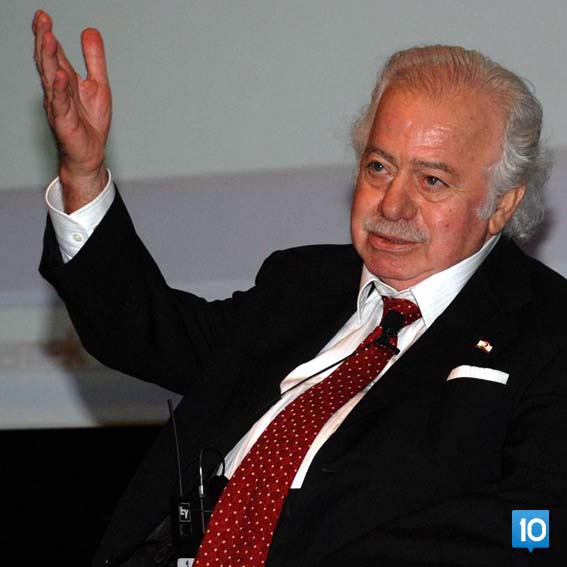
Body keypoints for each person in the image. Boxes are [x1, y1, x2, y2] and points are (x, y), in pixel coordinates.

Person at [32, 9, 567, 567]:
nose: (392, 205)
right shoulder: (302, 285)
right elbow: (139, 330)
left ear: (501, 204)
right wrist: (83, 173)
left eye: (431, 180)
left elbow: (540, 523)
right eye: (379, 167)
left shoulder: (546, 330)